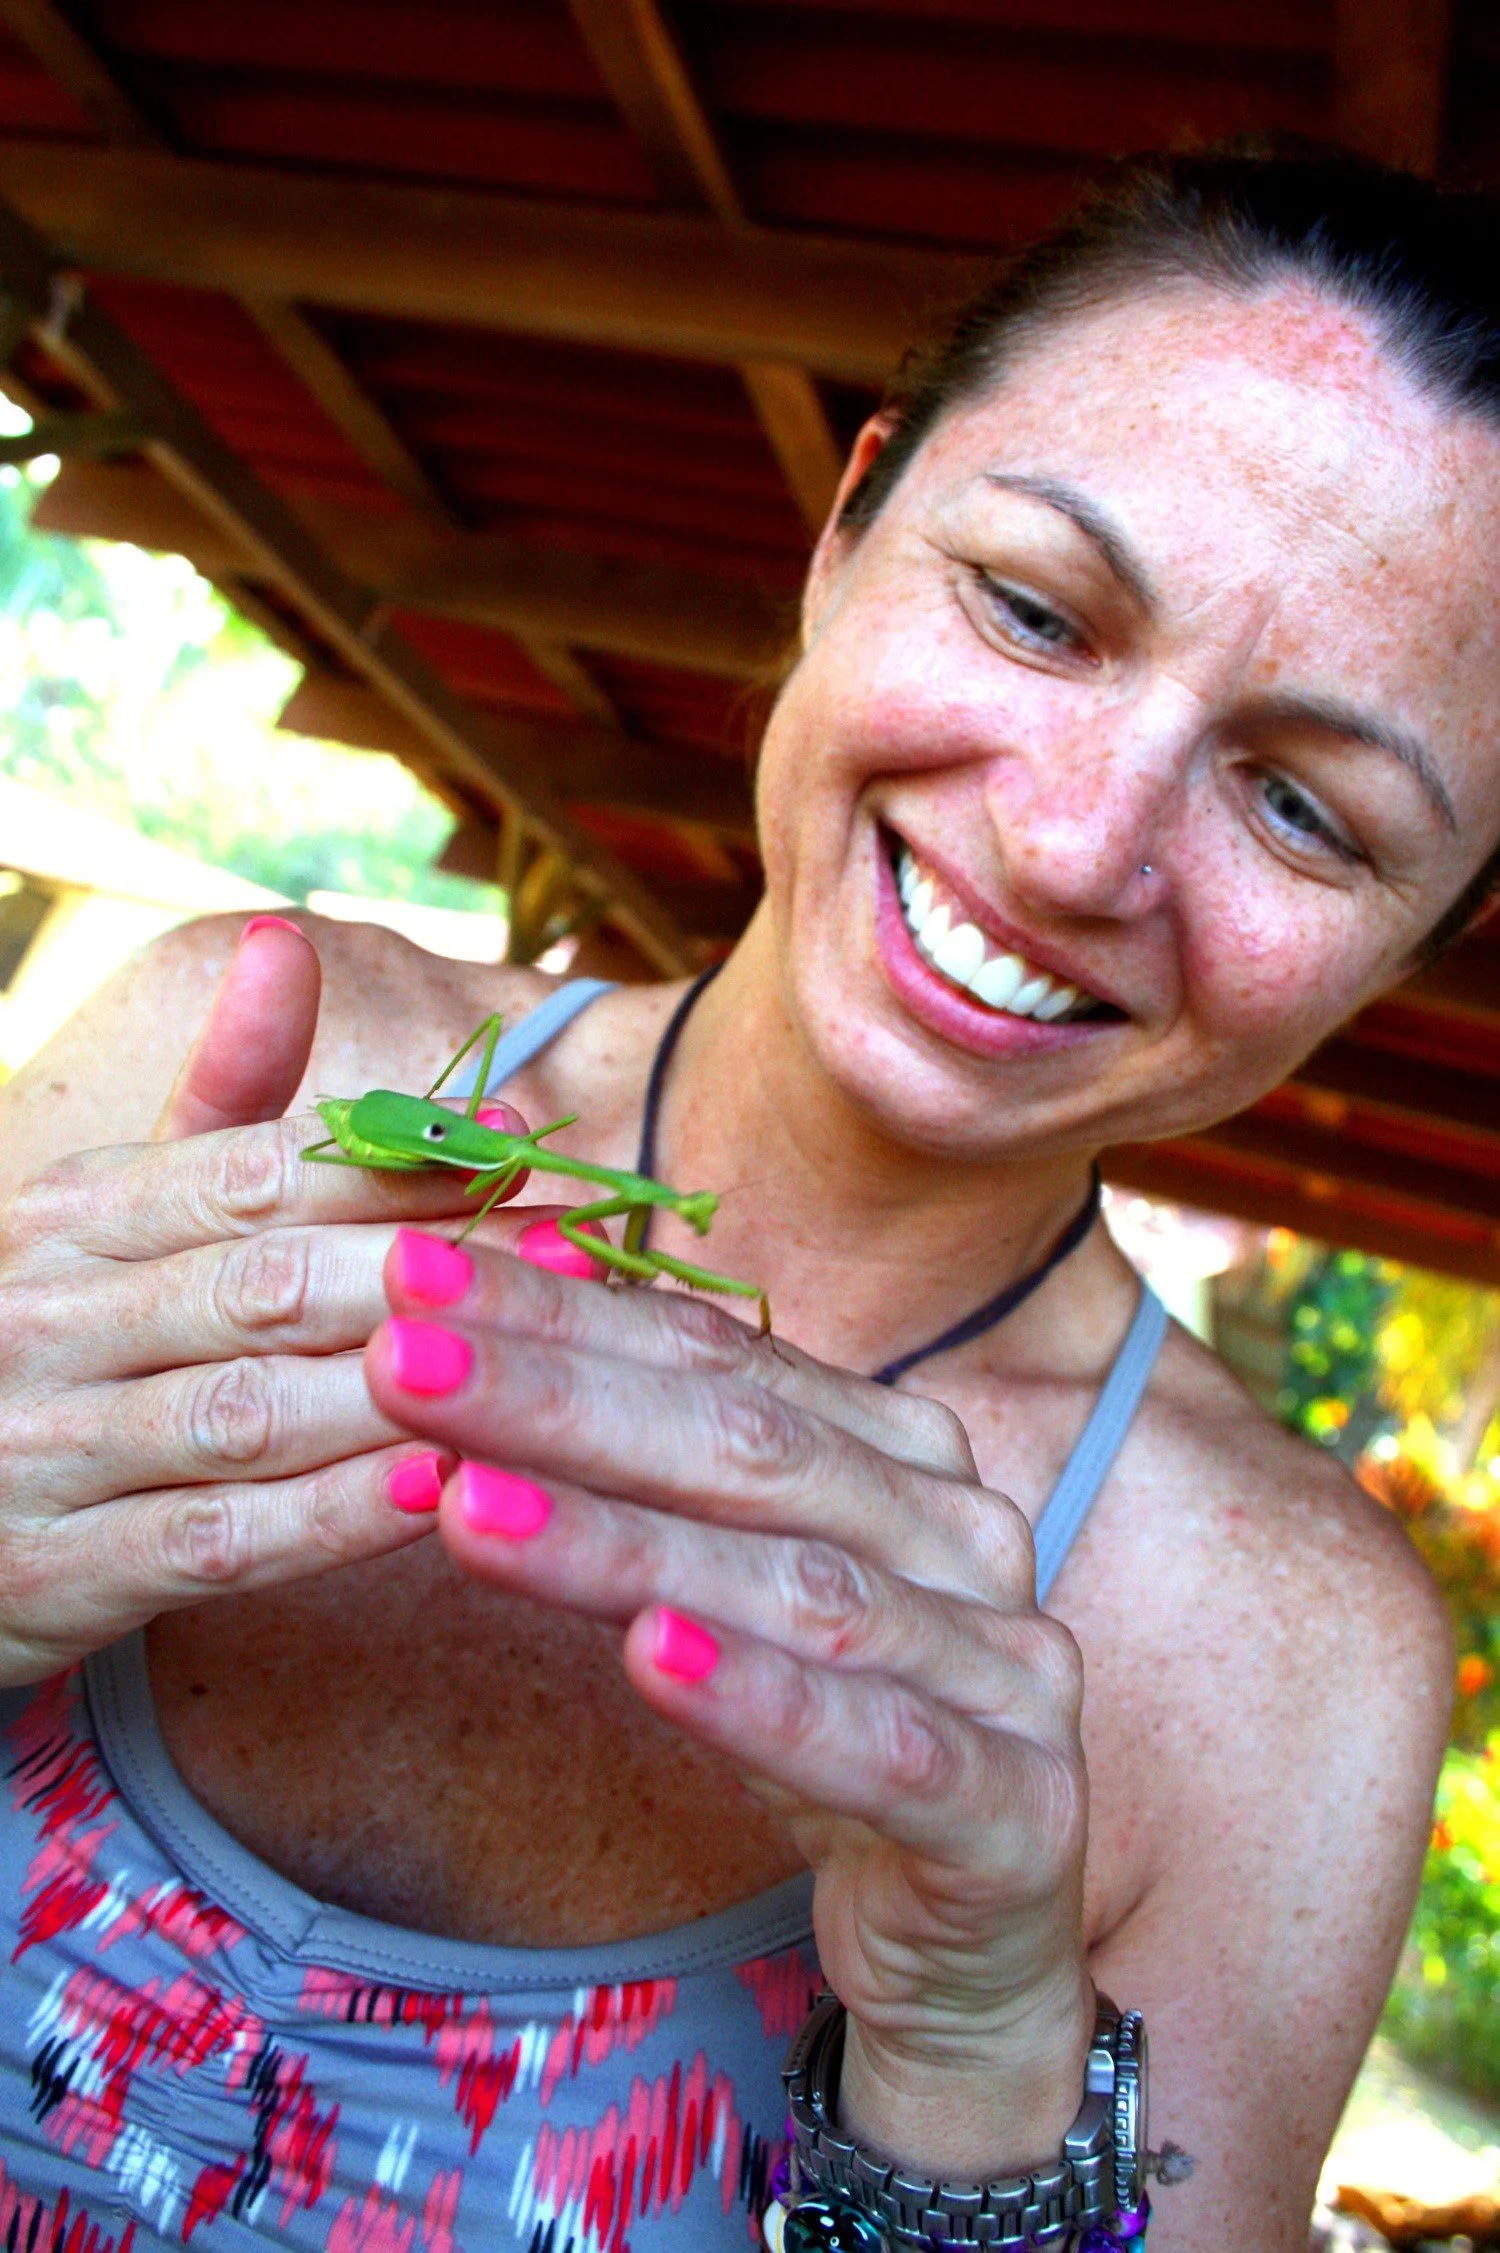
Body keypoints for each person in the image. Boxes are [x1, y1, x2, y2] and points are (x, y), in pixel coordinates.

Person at [0, 146, 1489, 2253]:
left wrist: (981, 2060)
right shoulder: (214, 1051)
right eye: (1037, 606)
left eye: (1304, 805)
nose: (1078, 847)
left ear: (1420, 941)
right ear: (848, 525)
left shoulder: (1293, 1662)